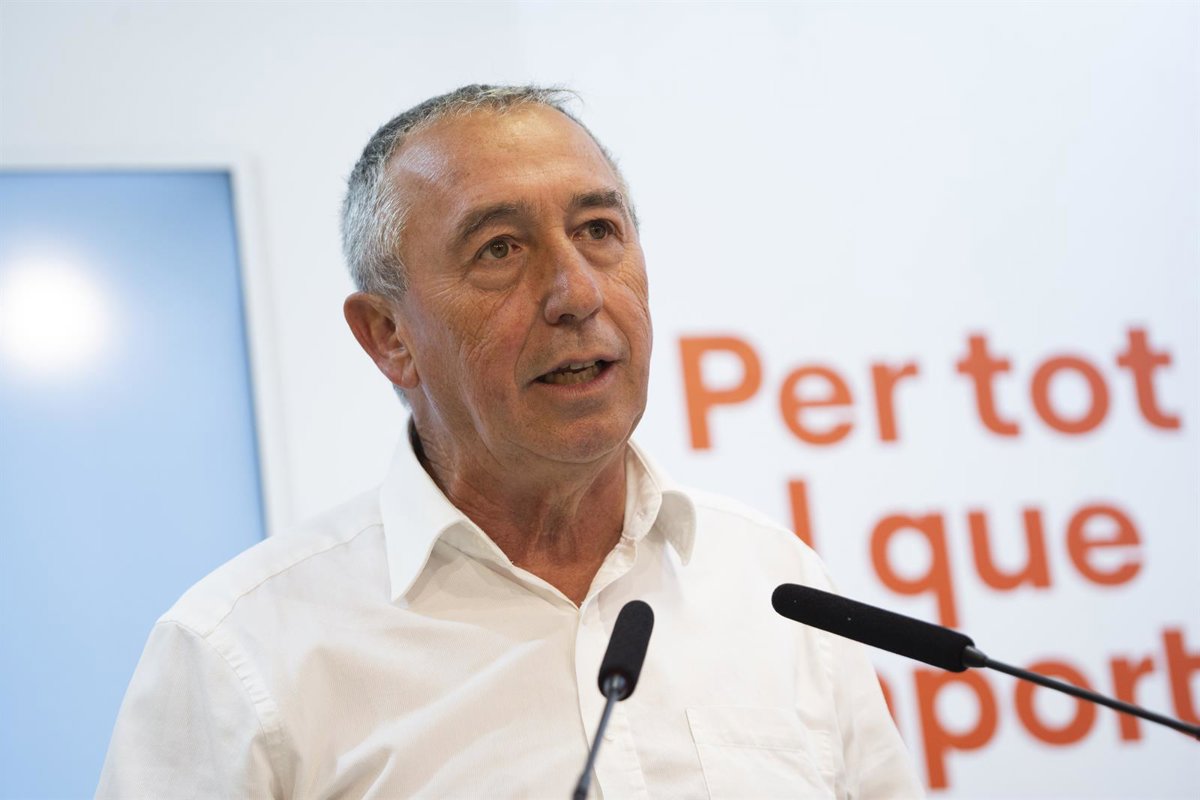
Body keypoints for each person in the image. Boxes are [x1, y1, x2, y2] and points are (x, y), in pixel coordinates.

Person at [98, 85, 924, 798]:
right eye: (499, 249)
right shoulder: (240, 654)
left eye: (598, 230)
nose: (576, 292)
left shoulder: (770, 581)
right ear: (389, 334)